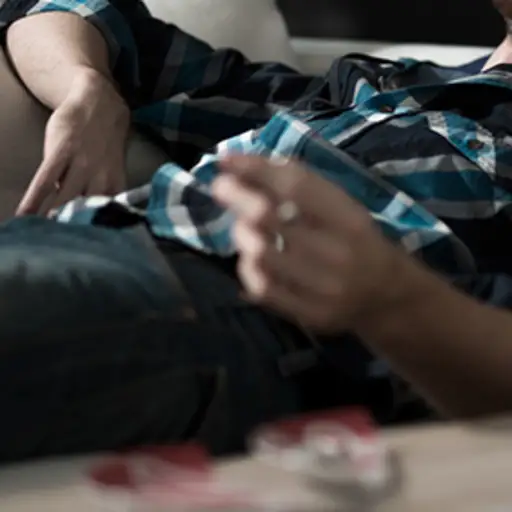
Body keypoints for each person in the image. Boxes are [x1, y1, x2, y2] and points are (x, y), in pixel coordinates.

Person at [1, 0, 512, 462]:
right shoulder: (372, 86)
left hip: (230, 312)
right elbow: (60, 7)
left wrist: (388, 293)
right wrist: (87, 86)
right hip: (71, 238)